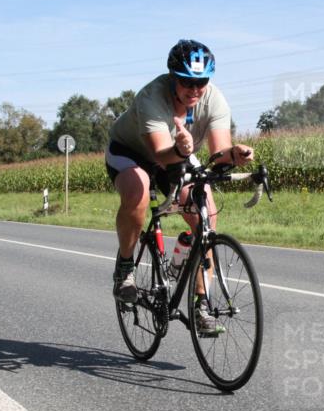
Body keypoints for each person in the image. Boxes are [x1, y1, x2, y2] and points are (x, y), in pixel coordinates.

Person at [105, 39, 253, 334]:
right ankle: (125, 267)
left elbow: (218, 153)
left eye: (201, 82)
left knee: (205, 213)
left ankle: (201, 305)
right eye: (187, 81)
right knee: (138, 190)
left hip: (178, 154)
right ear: (173, 77)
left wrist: (234, 154)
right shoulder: (151, 97)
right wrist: (181, 149)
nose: (195, 89)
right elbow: (161, 155)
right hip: (132, 152)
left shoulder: (214, 100)